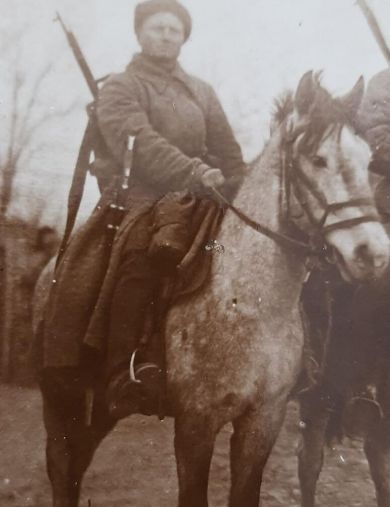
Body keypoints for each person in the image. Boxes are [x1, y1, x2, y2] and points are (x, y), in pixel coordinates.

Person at [94, 0, 246, 417]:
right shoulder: (121, 87)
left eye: (173, 29)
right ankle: (121, 371)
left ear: (184, 37)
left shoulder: (201, 91)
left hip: (203, 194)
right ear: (140, 33)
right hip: (143, 194)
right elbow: (141, 143)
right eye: (157, 27)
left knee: (236, 256)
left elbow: (228, 150)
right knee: (142, 255)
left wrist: (241, 186)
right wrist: (195, 172)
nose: (165, 35)